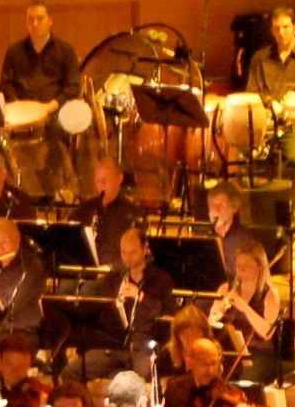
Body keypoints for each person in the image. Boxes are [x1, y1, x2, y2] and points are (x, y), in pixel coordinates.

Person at [71, 224, 174, 380]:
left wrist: (141, 297)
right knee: (71, 372)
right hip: (114, 345)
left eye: (133, 252)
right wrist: (114, 304)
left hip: (143, 346)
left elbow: (168, 316)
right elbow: (102, 318)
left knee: (146, 374)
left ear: (145, 249)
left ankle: (118, 376)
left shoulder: (161, 279)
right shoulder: (114, 279)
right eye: (123, 252)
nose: (128, 258)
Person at [246, 6, 295, 208]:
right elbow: (253, 90)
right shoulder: (259, 58)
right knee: (250, 157)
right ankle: (260, 209)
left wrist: (290, 105)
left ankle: (289, 210)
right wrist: (270, 103)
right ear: (272, 30)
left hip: (293, 119)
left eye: (286, 27)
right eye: (277, 28)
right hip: (265, 118)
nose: (281, 32)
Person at [209, 239, 281, 385]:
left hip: (257, 353)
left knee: (243, 381)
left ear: (260, 266)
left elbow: (267, 332)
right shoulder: (225, 288)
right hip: (229, 351)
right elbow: (211, 321)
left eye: (246, 266)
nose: (240, 270)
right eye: (238, 265)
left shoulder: (270, 294)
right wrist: (219, 310)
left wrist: (244, 307)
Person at [0, 0, 80, 115]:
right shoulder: (14, 52)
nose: (35, 24)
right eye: (30, 20)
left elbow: (72, 87)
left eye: (40, 19)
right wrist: (18, 106)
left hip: (55, 112)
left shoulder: (66, 50)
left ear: (50, 20)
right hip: (21, 113)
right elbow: (6, 85)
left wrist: (51, 106)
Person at [73, 157, 139, 268]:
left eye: (105, 180)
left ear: (119, 178)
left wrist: (110, 267)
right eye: (98, 181)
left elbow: (135, 255)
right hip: (85, 270)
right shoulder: (85, 209)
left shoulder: (132, 213)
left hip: (115, 273)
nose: (101, 186)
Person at [206, 181, 254, 279]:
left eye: (221, 205)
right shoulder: (202, 236)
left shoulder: (244, 239)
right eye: (212, 205)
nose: (216, 209)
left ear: (234, 208)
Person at [158, 303, 211, 383]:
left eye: (194, 334)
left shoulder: (212, 354)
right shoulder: (167, 355)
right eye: (184, 334)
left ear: (204, 334)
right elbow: (164, 385)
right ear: (177, 336)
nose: (190, 340)